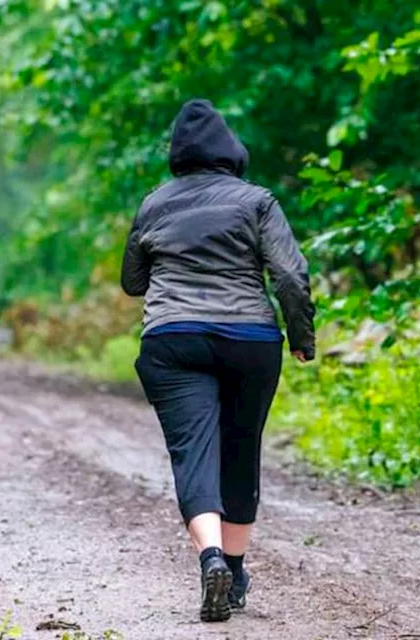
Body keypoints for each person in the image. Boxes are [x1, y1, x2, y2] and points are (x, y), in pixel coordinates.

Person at [120, 99, 316, 622]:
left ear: (178, 156)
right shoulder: (258, 201)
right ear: (231, 151)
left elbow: (132, 283)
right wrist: (302, 338)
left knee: (193, 452)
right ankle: (234, 569)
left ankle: (210, 558)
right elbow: (291, 276)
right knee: (240, 448)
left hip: (172, 340)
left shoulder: (153, 204)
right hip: (249, 340)